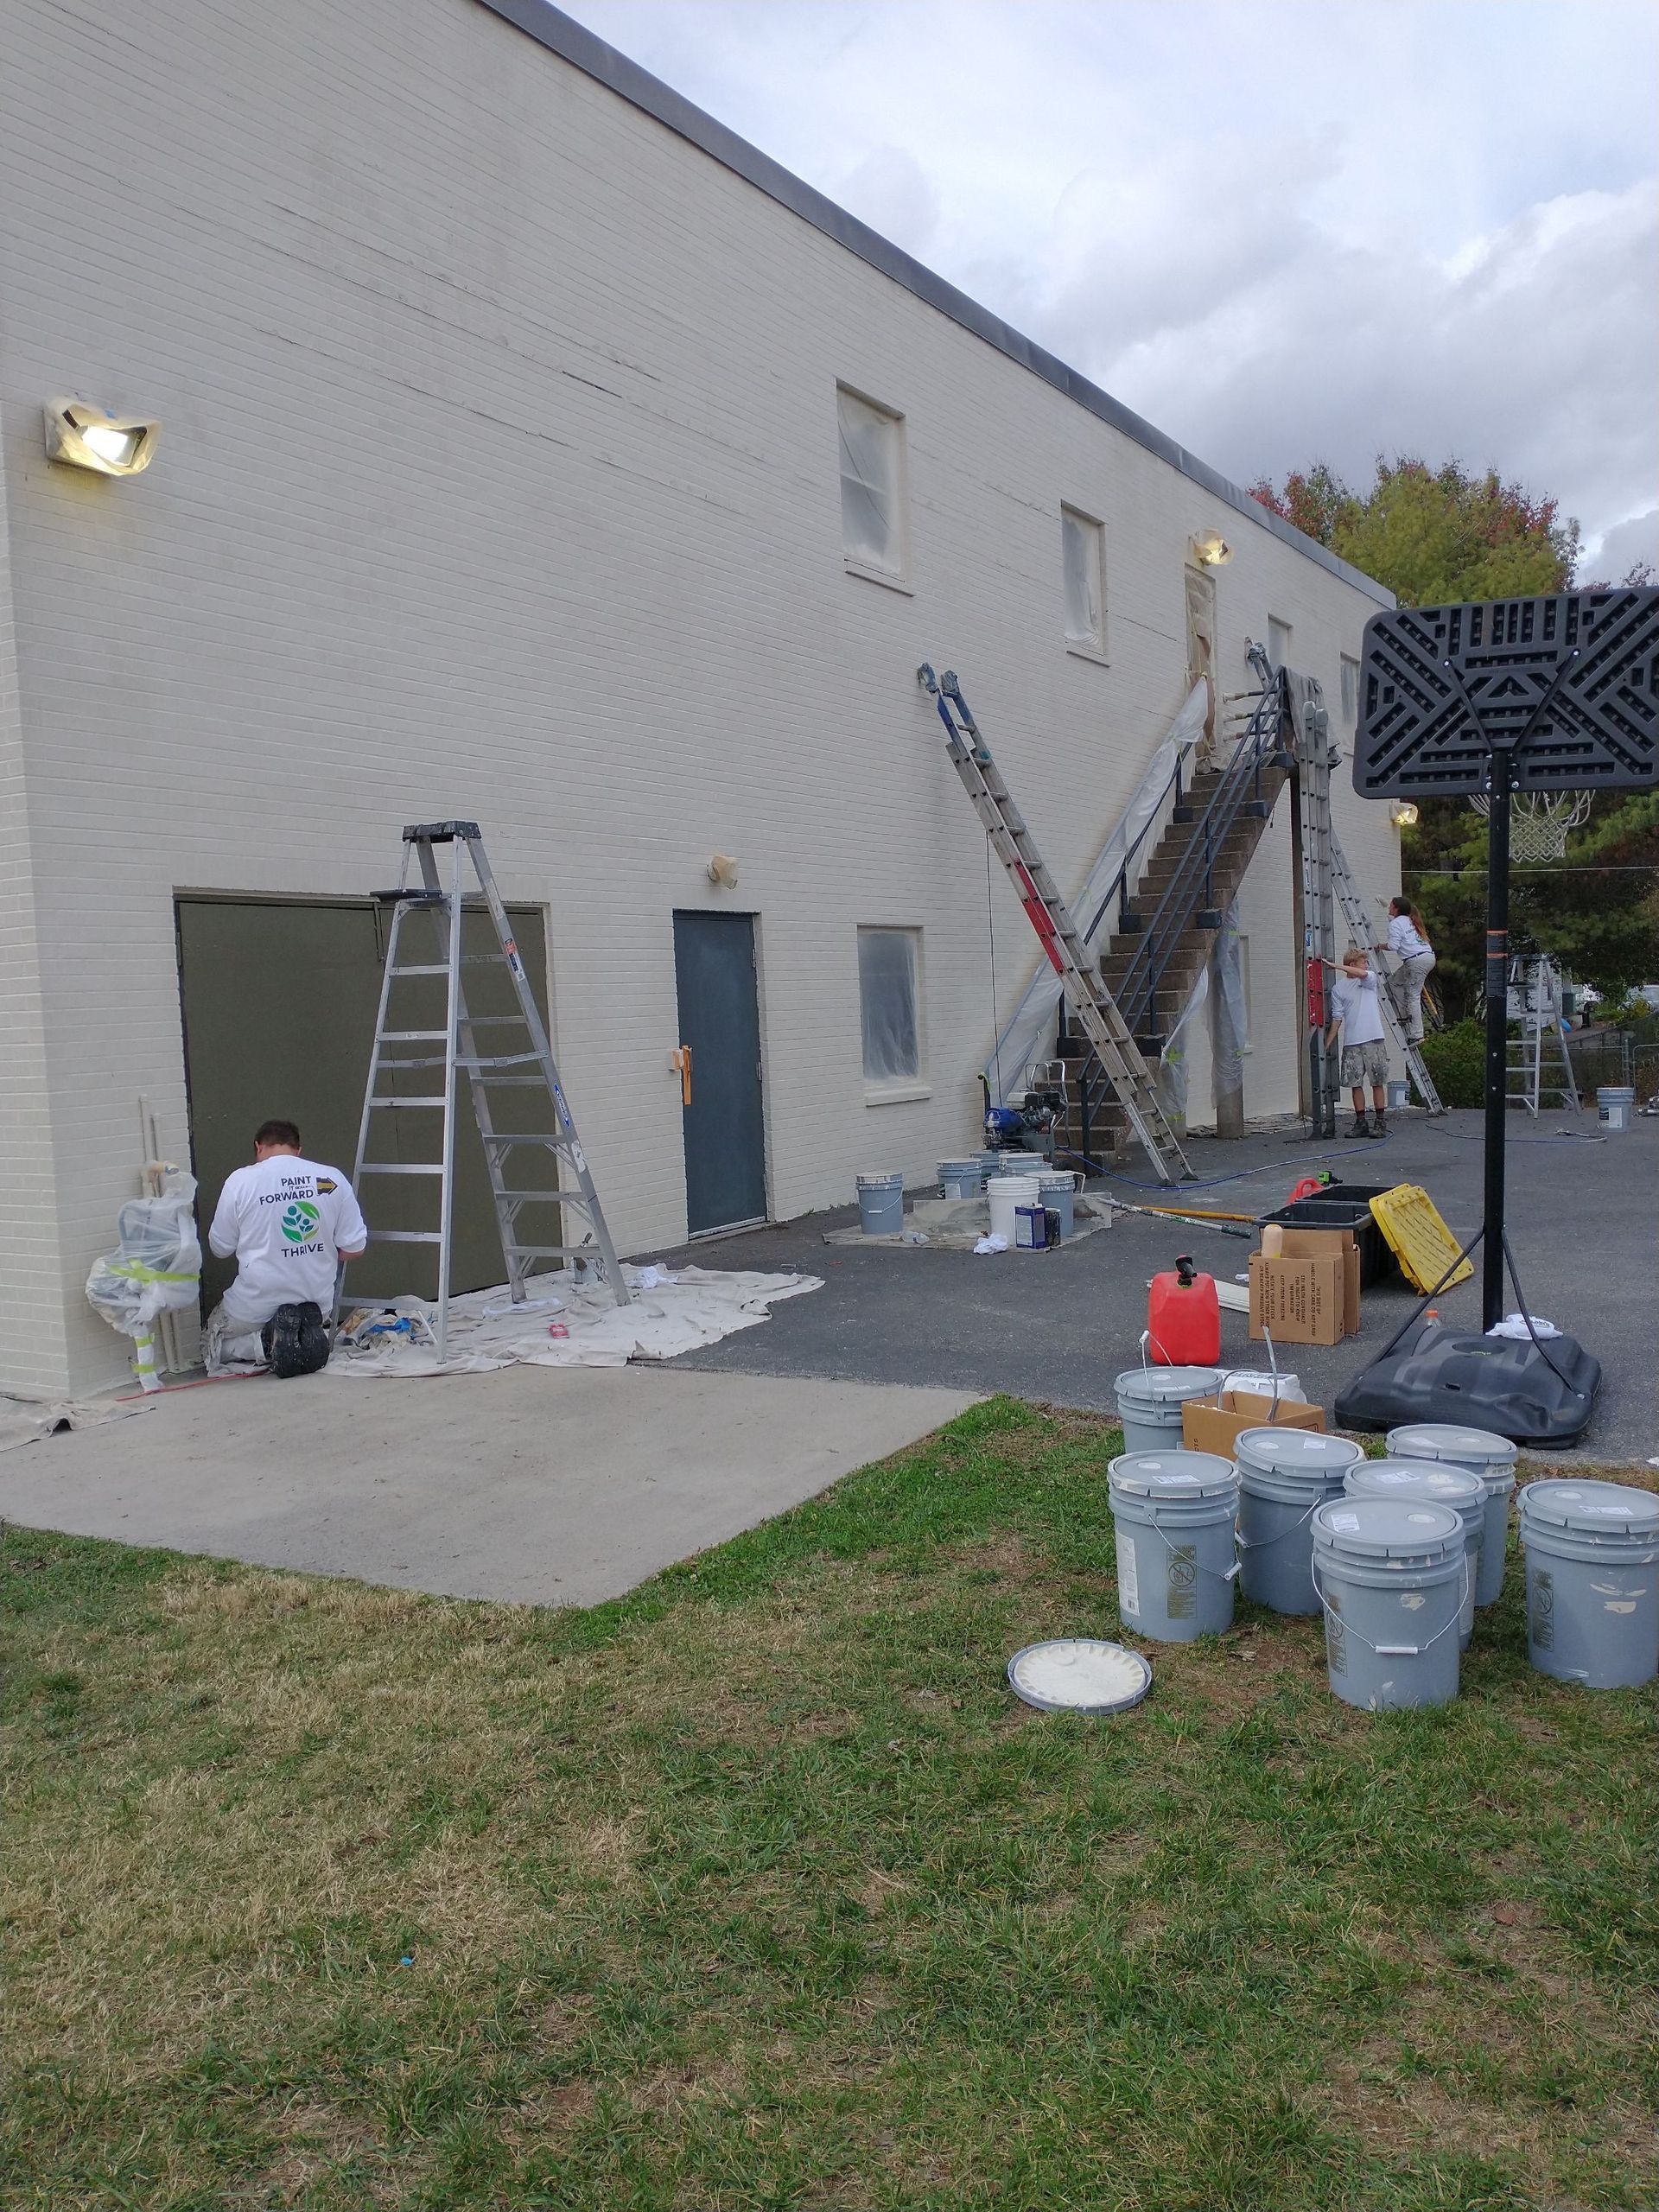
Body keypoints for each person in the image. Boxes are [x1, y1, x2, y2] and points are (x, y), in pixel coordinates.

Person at [206, 1120, 367, 1376]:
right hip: (316, 1302)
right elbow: (354, 1249)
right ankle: (306, 1334)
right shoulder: (332, 1178)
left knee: (210, 1343)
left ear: (258, 1147)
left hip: (255, 1306)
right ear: (298, 1150)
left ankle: (266, 1344)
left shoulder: (240, 1181)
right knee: (310, 1318)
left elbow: (220, 1248)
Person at [1325, 949, 1389, 1139]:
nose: (1367, 966)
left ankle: (1380, 1121)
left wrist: (1336, 966)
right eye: (1363, 962)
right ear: (1352, 964)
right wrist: (1328, 1043)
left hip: (1373, 1038)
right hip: (1352, 1041)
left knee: (1377, 1082)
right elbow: (1337, 1017)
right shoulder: (1339, 989)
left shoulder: (1368, 980)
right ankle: (1360, 1122)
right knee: (1355, 1083)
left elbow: (1363, 974)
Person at [1376, 896, 1435, 1044]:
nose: (1389, 907)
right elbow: (1394, 921)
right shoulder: (1409, 920)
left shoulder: (1397, 923)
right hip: (1424, 958)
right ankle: (1403, 1015)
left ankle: (1417, 1034)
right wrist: (1385, 908)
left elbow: (1394, 945)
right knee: (1394, 983)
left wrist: (1380, 946)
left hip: (1416, 961)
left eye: (1391, 905)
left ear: (1396, 908)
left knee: (1413, 996)